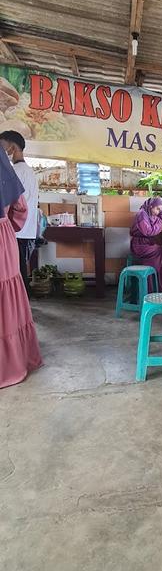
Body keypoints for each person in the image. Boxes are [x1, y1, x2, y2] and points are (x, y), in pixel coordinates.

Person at [0, 148, 42, 388]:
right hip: (4, 238)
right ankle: (12, 360)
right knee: (7, 299)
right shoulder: (7, 170)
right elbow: (21, 209)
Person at [0, 131, 39, 294]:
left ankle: (21, 308)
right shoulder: (30, 172)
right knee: (20, 271)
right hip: (27, 230)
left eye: (2, 146)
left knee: (16, 273)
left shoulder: (13, 171)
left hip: (16, 230)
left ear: (12, 147)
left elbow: (16, 205)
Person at [130, 197, 162, 291]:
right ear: (151, 206)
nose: (158, 212)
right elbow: (148, 231)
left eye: (160, 209)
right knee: (160, 250)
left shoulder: (150, 213)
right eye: (157, 209)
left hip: (147, 243)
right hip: (139, 245)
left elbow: (160, 216)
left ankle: (159, 285)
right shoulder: (142, 214)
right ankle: (151, 287)